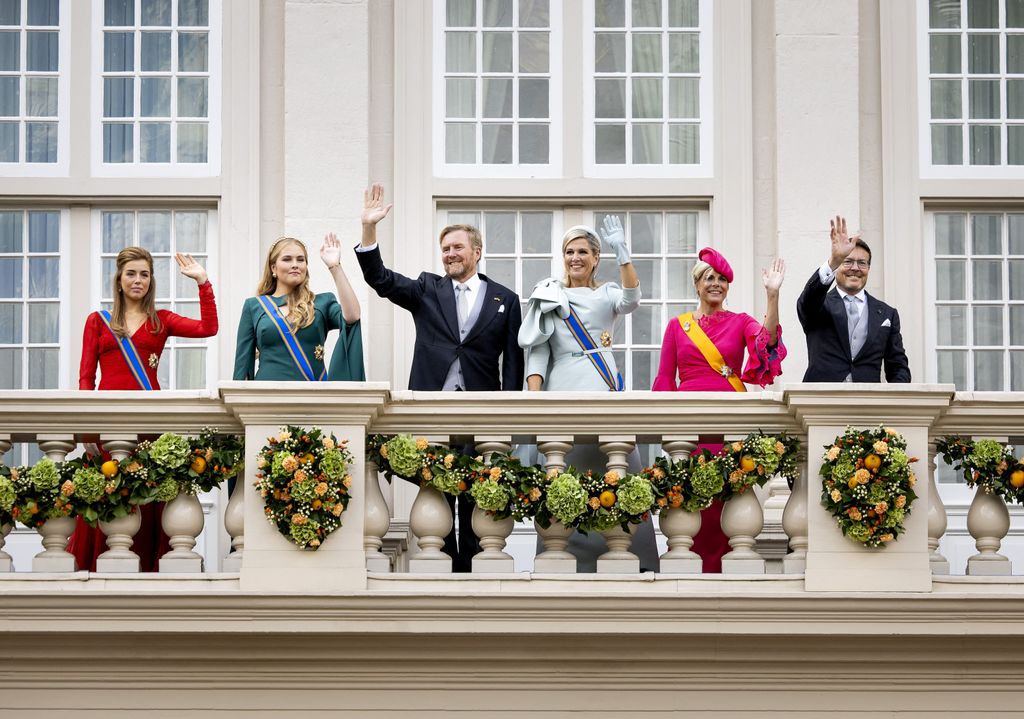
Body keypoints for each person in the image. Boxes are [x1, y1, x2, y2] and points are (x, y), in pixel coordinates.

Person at [355, 183, 524, 571]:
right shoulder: (427, 288)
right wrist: (369, 230)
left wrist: (510, 415)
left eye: (457, 247)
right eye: (445, 248)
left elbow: (512, 363)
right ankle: (443, 569)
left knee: (479, 496)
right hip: (432, 411)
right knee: (438, 490)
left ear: (476, 252)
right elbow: (380, 278)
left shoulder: (505, 299)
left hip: (481, 413)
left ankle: (476, 571)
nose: (449, 254)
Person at [518, 218, 655, 571]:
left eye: (582, 252)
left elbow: (632, 298)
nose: (575, 258)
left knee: (619, 473)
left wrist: (622, 250)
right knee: (563, 476)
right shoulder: (549, 292)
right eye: (569, 252)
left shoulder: (607, 291)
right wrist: (535, 402)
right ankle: (564, 559)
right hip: (563, 389)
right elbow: (537, 352)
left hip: (604, 388)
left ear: (595, 258)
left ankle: (630, 558)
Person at [72, 247, 219, 572]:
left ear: (151, 281)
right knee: (110, 500)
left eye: (144, 274)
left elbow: (209, 328)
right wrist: (87, 431)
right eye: (131, 273)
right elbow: (86, 379)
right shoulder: (97, 322)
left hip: (149, 427)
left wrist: (202, 281)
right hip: (108, 426)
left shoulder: (161, 321)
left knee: (148, 500)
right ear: (119, 279)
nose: (138, 280)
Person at [652, 247, 786, 573]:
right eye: (709, 278)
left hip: (729, 419)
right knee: (691, 499)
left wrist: (772, 296)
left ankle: (724, 571)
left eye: (722, 279)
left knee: (728, 497)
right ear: (697, 284)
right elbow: (665, 378)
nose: (716, 284)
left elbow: (766, 341)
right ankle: (689, 571)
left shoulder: (740, 322)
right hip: (689, 423)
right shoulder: (677, 326)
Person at [233, 234, 364, 382]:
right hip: (267, 396)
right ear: (273, 268)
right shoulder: (254, 306)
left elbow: (353, 316)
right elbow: (242, 366)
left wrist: (335, 267)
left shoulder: (322, 302)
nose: (295, 264)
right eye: (287, 259)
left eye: (300, 260)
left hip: (312, 396)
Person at [797, 215, 911, 382]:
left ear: (869, 268)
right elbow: (807, 301)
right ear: (838, 267)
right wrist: (833, 261)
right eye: (848, 261)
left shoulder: (887, 314)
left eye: (862, 263)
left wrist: (895, 403)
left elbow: (898, 367)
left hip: (868, 404)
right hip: (821, 402)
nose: (855, 268)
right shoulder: (819, 305)